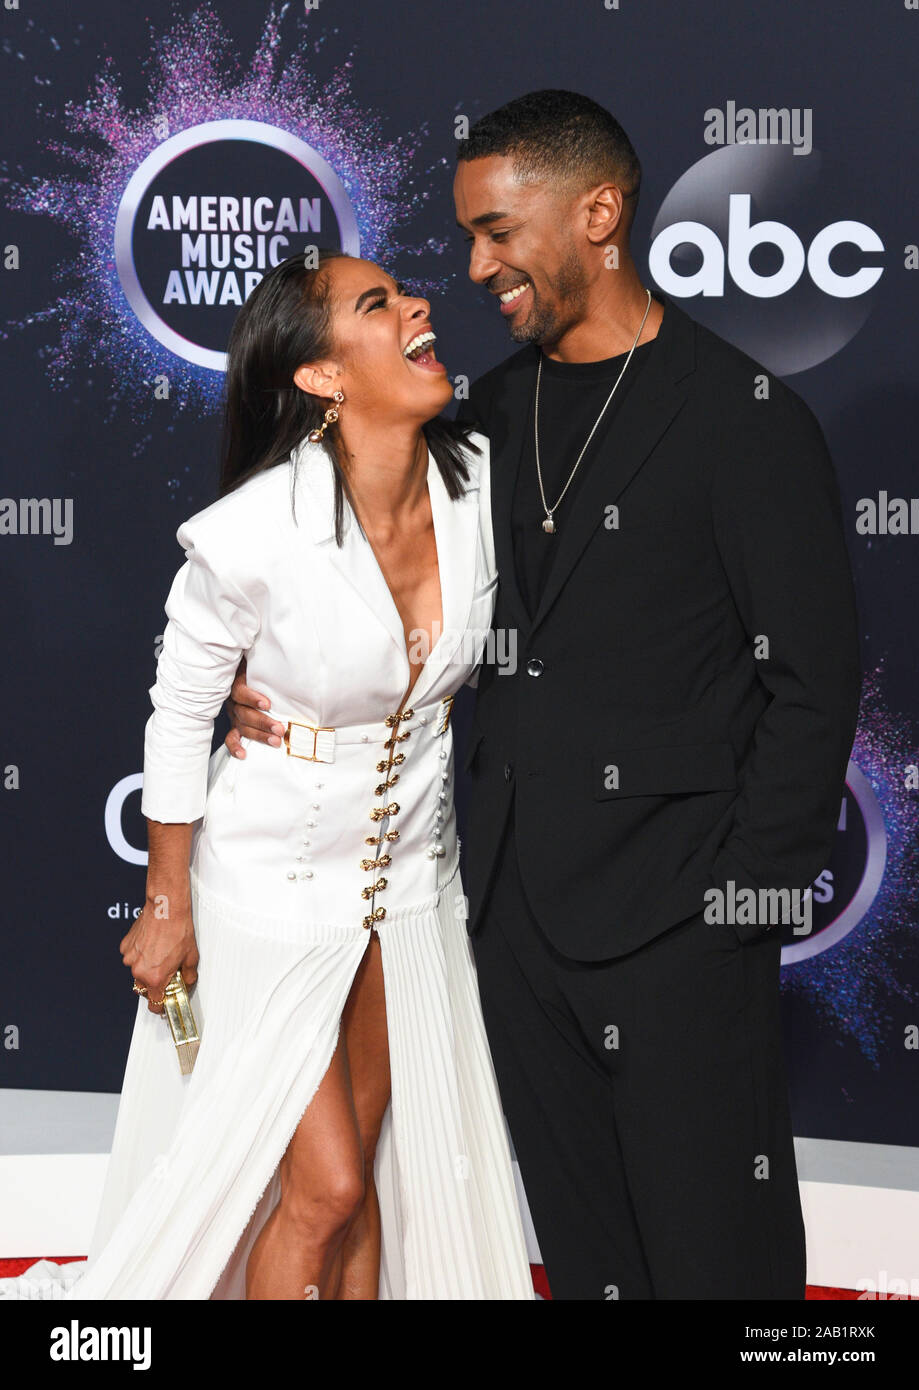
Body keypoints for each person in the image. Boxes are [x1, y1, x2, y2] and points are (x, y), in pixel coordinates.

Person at [227, 92, 861, 1299]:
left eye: (500, 231)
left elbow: (813, 688)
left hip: (682, 932)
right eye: (468, 236)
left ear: (600, 214)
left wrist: (733, 913)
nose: (475, 267)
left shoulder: (744, 420)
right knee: (589, 1261)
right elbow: (347, 577)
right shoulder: (482, 421)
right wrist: (251, 689)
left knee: (717, 1265)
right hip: (515, 927)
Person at [5, 248, 534, 1301]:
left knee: (369, 1151)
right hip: (268, 891)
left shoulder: (478, 487)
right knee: (326, 1184)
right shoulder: (251, 532)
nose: (419, 304)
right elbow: (177, 712)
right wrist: (167, 903)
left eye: (402, 292)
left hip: (408, 886)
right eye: (377, 304)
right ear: (322, 378)